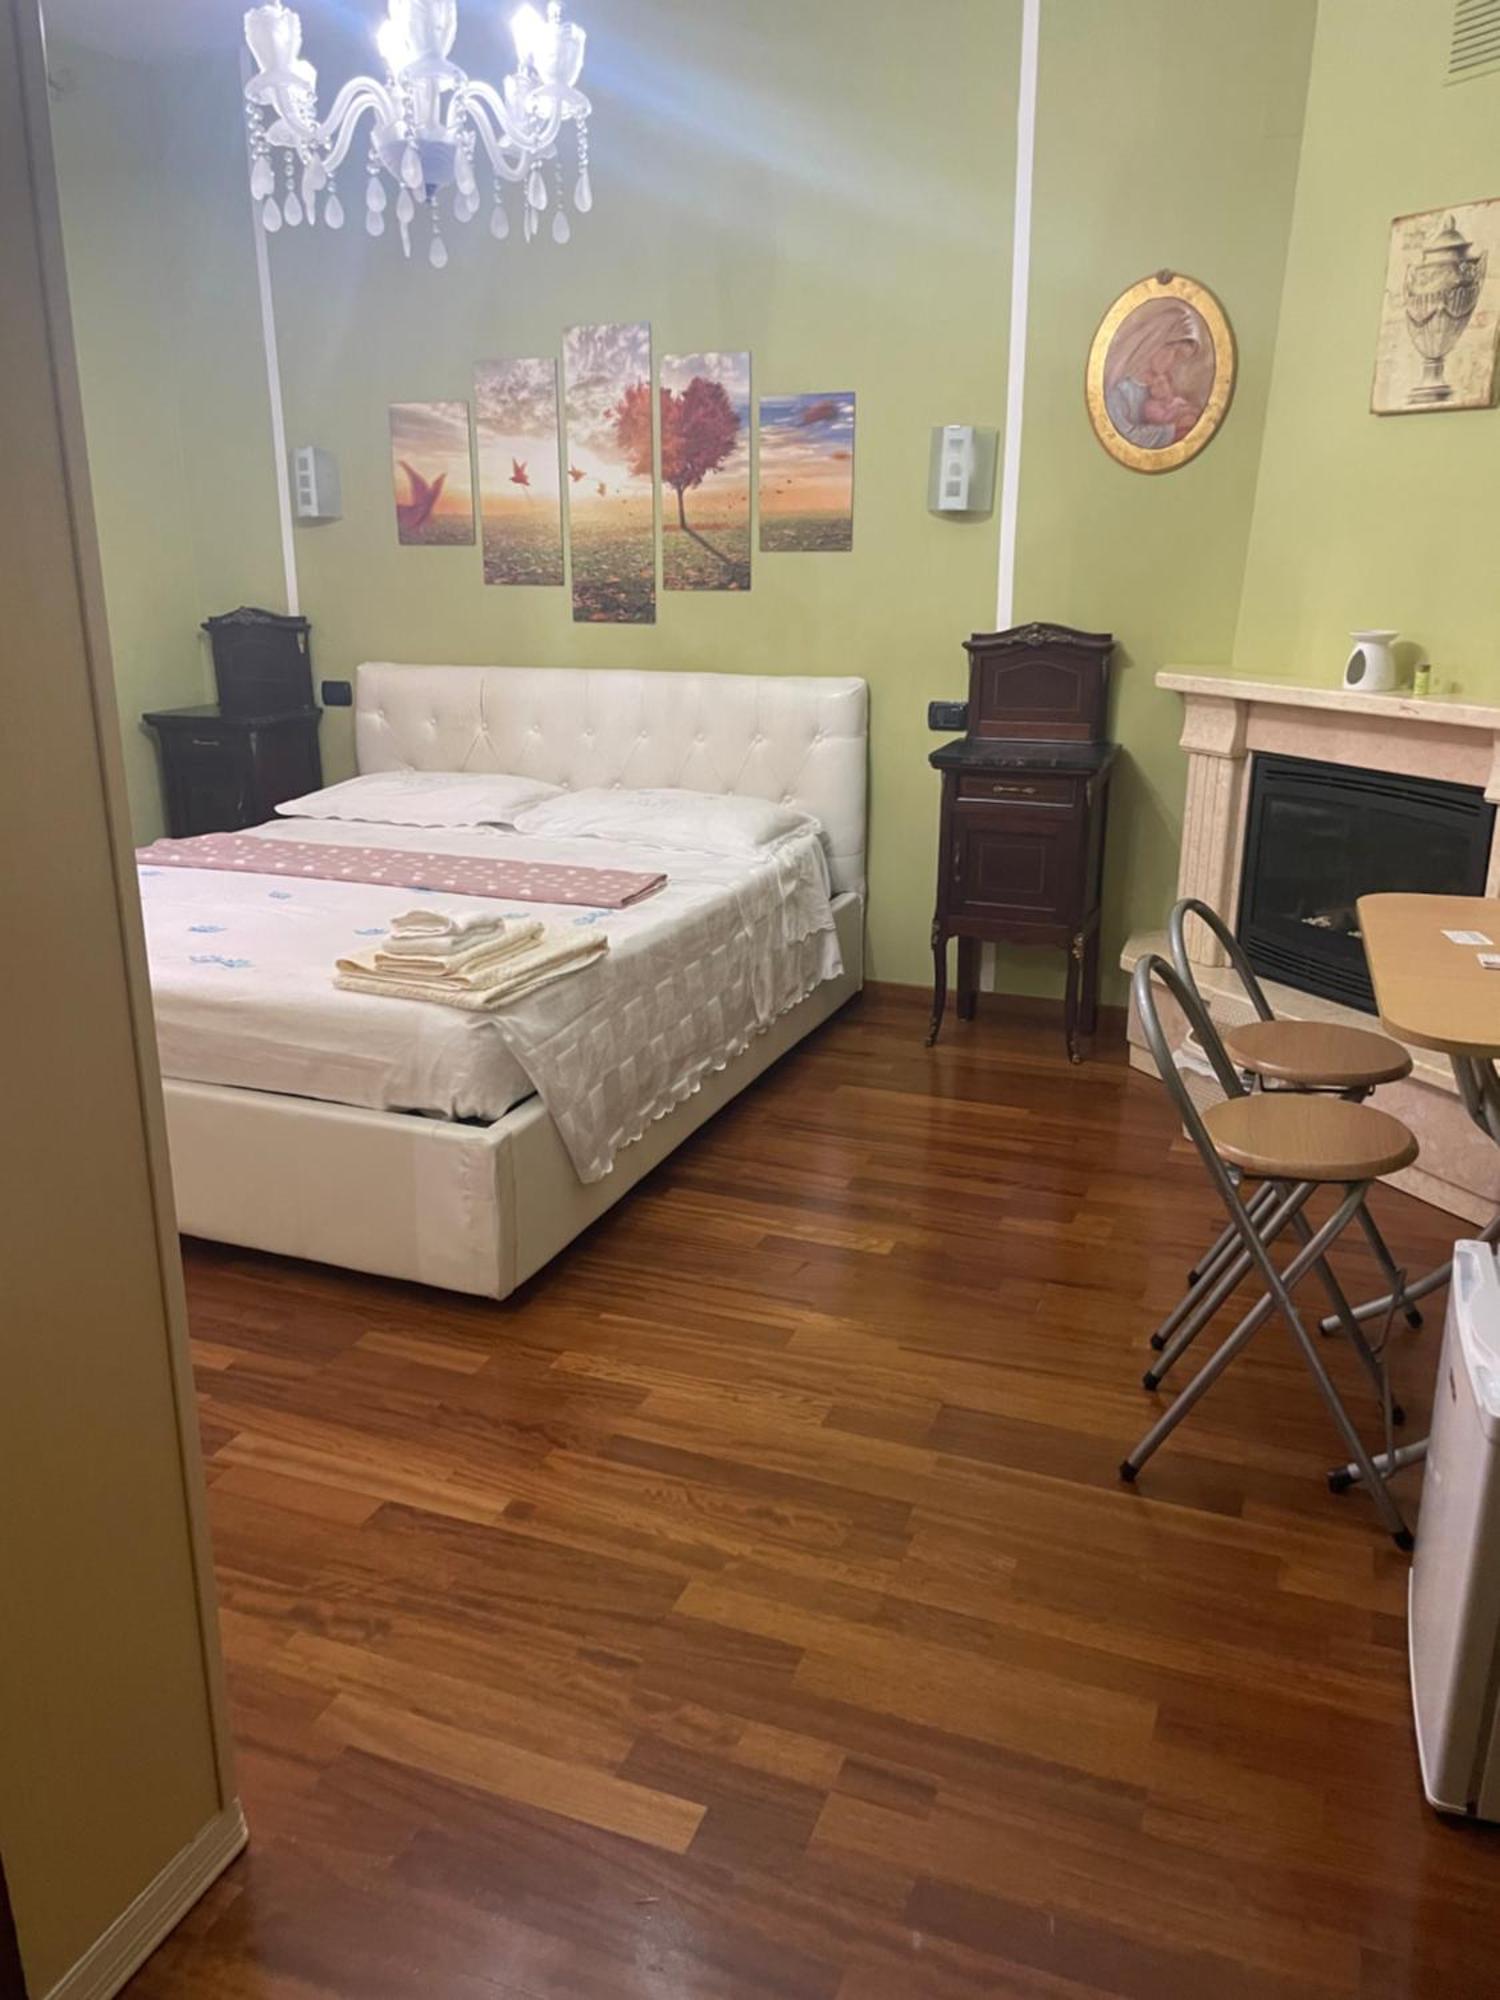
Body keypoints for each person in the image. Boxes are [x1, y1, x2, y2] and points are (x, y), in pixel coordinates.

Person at [1104, 302, 1207, 447]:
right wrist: (1174, 429)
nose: (1174, 362)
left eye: (1180, 358)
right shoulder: (1121, 391)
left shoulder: (1166, 384)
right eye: (1175, 353)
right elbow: (1123, 436)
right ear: (1155, 344)